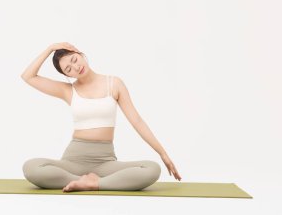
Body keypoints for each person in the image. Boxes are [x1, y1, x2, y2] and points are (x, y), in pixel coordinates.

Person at [21, 42, 182, 192]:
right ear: (66, 75)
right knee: (31, 167)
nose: (76, 67)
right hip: (73, 161)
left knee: (152, 169)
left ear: (79, 53)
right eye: (68, 69)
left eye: (75, 60)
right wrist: (50, 48)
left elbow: (137, 121)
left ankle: (94, 183)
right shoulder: (68, 90)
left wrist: (162, 153)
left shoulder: (114, 84)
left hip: (105, 162)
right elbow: (28, 76)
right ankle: (84, 180)